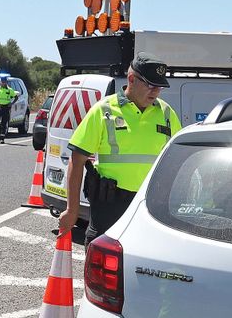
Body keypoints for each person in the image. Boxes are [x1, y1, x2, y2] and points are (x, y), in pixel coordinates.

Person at [58, 53, 181, 236]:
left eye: (160, 87)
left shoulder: (166, 113)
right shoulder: (104, 110)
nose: (156, 92)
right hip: (109, 206)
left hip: (150, 206)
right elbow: (76, 162)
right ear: (131, 79)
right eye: (150, 85)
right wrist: (72, 210)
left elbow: (179, 160)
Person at [0, 76, 18, 144]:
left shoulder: (10, 90)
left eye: (4, 82)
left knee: (4, 124)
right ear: (0, 82)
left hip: (6, 108)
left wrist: (11, 103)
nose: (3, 83)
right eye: (2, 82)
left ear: (6, 82)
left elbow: (16, 97)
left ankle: (2, 139)